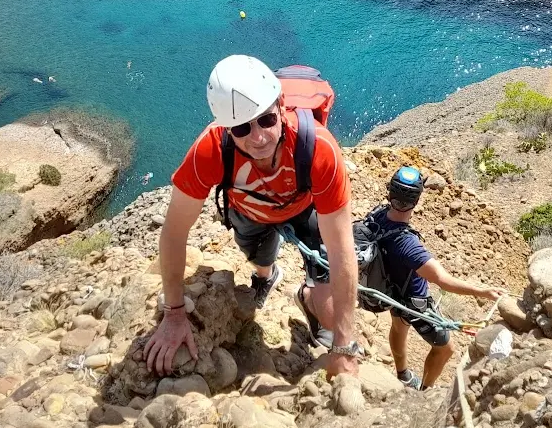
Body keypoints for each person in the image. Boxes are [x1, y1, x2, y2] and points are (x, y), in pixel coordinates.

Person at [142, 55, 360, 378]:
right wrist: (174, 313)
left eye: (266, 121)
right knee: (259, 258)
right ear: (226, 127)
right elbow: (174, 232)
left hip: (305, 208)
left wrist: (344, 343)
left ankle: (307, 298)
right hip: (251, 213)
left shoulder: (319, 150)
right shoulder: (211, 149)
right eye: (242, 128)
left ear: (281, 105)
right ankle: (265, 276)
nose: (258, 137)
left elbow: (342, 248)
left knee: (333, 316)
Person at [376, 166, 504, 390]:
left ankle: (403, 374)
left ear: (390, 193)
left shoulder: (376, 216)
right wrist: (482, 291)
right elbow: (442, 280)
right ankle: (424, 390)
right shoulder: (408, 245)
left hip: (391, 291)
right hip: (413, 301)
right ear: (415, 201)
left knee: (398, 327)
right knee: (446, 349)